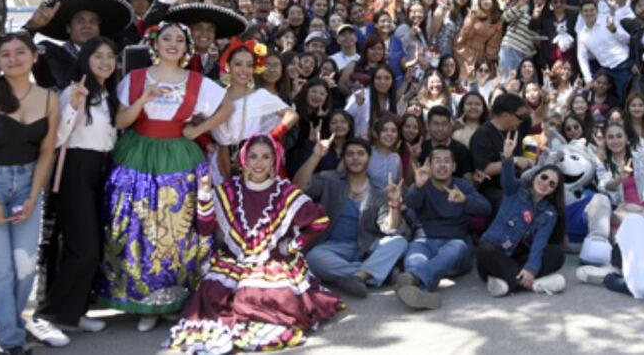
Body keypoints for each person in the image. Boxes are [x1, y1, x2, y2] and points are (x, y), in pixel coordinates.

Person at [98, 22, 228, 331]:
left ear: (187, 47)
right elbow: (119, 120)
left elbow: (227, 108)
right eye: (166, 38)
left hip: (179, 157)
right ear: (154, 43)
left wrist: (196, 129)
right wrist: (143, 98)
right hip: (138, 155)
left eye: (179, 40)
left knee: (176, 232)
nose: (172, 43)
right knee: (138, 227)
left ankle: (175, 298)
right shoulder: (135, 79)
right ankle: (143, 302)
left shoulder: (198, 82)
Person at [166, 134, 342, 353]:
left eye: (265, 157)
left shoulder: (284, 191)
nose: (258, 163)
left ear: (273, 161)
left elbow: (318, 221)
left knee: (271, 296)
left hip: (272, 261)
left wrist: (291, 246)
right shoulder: (229, 190)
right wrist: (203, 195)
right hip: (237, 261)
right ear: (244, 161)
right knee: (211, 291)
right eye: (253, 157)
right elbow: (205, 229)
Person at [0, 32, 62, 354]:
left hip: (27, 185)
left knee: (24, 266)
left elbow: (47, 152)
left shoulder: (49, 98)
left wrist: (34, 196)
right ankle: (10, 339)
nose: (13, 58)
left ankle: (10, 325)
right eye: (5, 54)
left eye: (21, 52)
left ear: (34, 57)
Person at [38, 38, 119, 336]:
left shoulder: (107, 93)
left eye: (110, 56)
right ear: (85, 58)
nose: (105, 62)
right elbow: (57, 138)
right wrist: (72, 106)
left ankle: (74, 311)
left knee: (92, 246)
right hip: (74, 169)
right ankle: (50, 314)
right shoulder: (73, 90)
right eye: (98, 56)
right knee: (82, 248)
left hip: (100, 169)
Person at [296, 137, 409, 299]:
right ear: (344, 158)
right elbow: (298, 188)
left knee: (399, 241)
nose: (355, 158)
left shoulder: (378, 191)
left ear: (369, 159)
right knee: (313, 258)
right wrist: (316, 156)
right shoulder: (329, 179)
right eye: (350, 154)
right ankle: (379, 273)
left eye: (360, 154)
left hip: (365, 247)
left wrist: (394, 203)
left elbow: (390, 227)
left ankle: (359, 278)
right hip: (332, 247)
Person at [396, 147, 492, 310]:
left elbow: (486, 208)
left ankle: (414, 278)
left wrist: (465, 200)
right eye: (437, 161)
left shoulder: (462, 186)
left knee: (457, 247)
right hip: (423, 241)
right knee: (414, 254)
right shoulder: (423, 185)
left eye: (446, 161)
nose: (442, 165)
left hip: (454, 246)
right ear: (430, 166)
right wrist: (418, 186)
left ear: (454, 166)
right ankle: (420, 292)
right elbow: (410, 203)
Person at [477, 131, 568, 296]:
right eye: (544, 177)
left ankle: (507, 281)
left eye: (552, 184)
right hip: (495, 252)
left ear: (554, 191)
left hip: (519, 257)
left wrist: (531, 268)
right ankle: (532, 284)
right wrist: (508, 156)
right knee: (484, 250)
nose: (545, 183)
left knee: (557, 254)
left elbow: (539, 242)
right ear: (535, 176)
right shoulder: (515, 189)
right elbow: (507, 177)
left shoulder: (550, 212)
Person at [211, 39, 298, 182]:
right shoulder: (215, 95)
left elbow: (291, 115)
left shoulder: (260, 95)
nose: (244, 70)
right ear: (228, 66)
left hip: (254, 159)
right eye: (238, 64)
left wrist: (272, 137)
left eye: (249, 65)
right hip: (221, 159)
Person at [23, 0, 134, 90]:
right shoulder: (49, 55)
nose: (87, 25)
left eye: (93, 22)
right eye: (80, 21)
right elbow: (15, 52)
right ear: (68, 28)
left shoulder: (112, 57)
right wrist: (31, 27)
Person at [469, 93, 534, 211]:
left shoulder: (516, 127)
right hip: (494, 189)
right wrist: (513, 160)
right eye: (520, 117)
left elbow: (539, 118)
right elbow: (484, 169)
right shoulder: (482, 135)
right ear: (505, 115)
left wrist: (545, 102)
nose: (522, 121)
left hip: (518, 183)